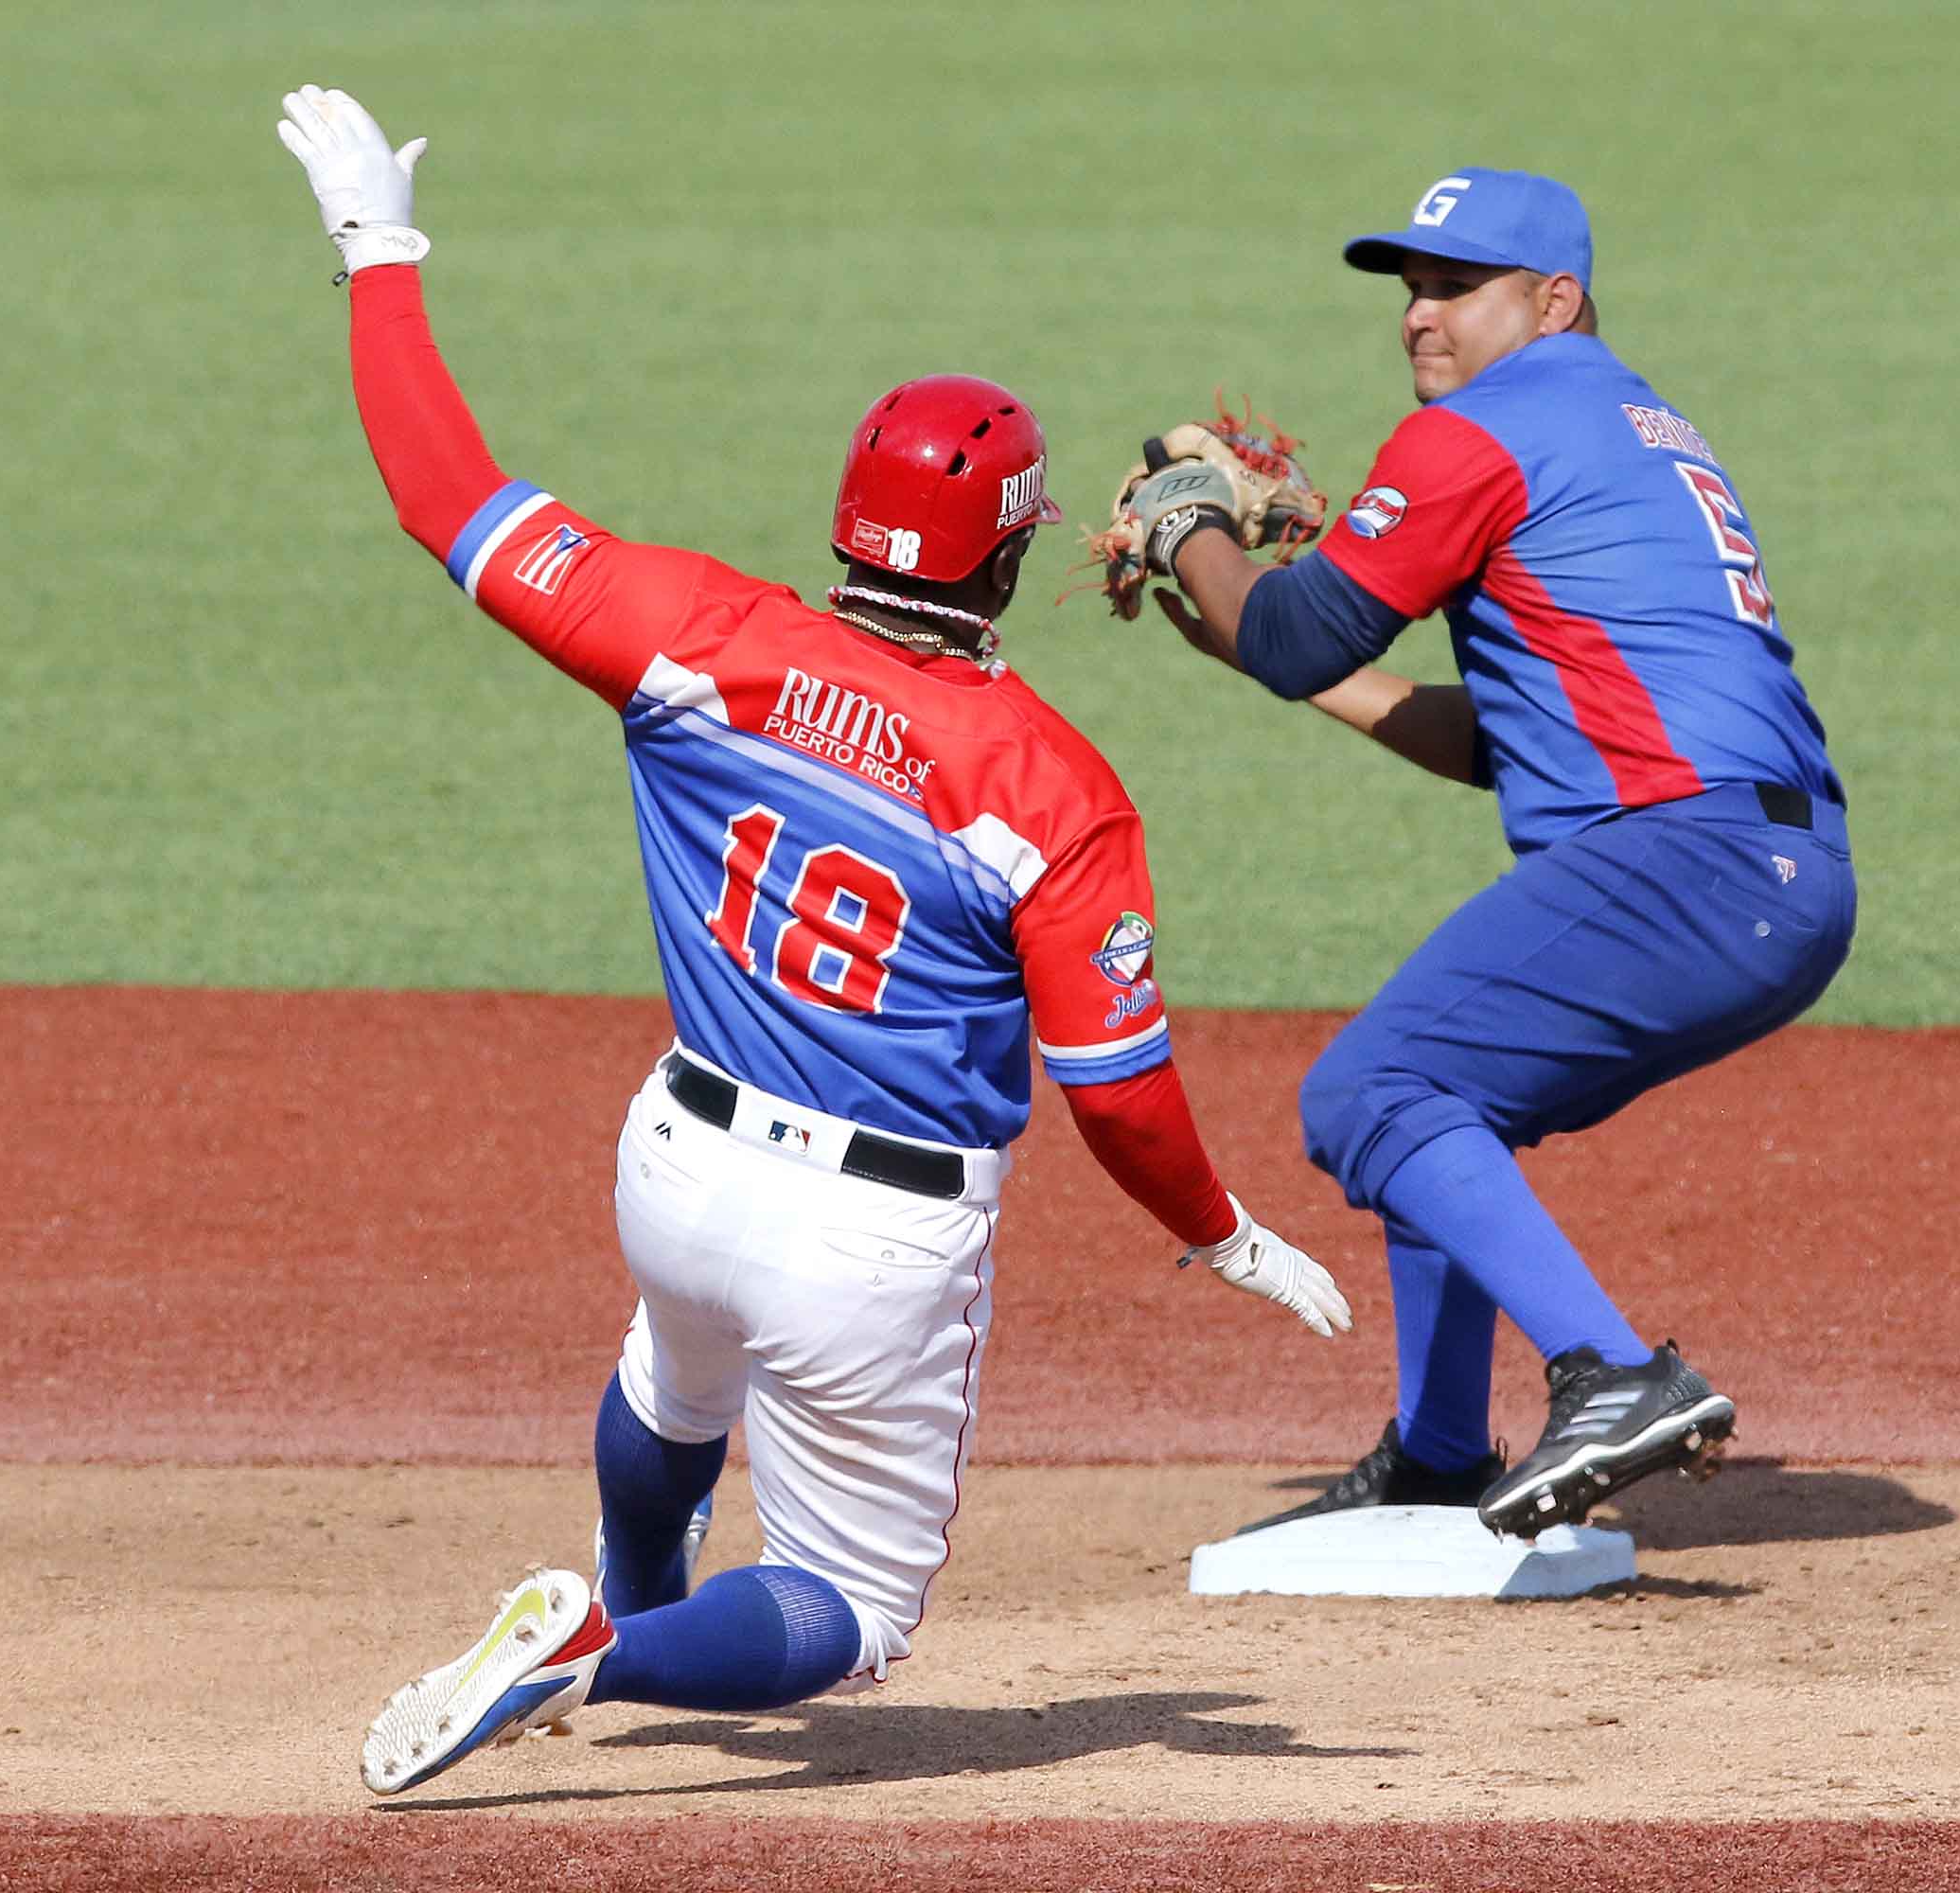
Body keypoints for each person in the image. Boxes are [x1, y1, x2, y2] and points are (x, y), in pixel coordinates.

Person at [274, 85, 1352, 1796]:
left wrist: (376, 245)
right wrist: (1216, 1233)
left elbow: (441, 493)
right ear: (1013, 558)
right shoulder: (1054, 788)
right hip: (869, 1245)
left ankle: (615, 1622)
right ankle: (603, 1656)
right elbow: (1119, 1095)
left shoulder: (692, 633)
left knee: (673, 1380)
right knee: (854, 1608)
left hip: (676, 1172)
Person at [1115, 167, 1855, 1542]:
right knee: (1441, 1100)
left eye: (1458, 286)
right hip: (1771, 870)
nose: (1420, 315)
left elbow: (1294, 632)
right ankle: (1443, 1453)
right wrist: (1264, 641)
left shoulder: (1487, 431)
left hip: (1686, 859)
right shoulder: (1633, 426)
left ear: (1555, 298)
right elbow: (1495, 736)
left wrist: (1191, 528)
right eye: (1410, 289)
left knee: (1372, 1094)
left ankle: (1615, 1376)